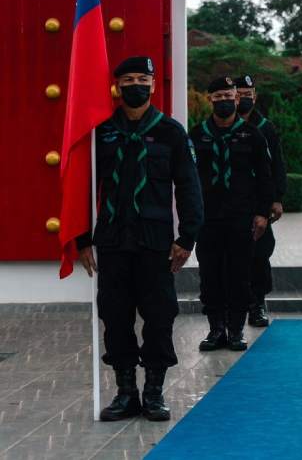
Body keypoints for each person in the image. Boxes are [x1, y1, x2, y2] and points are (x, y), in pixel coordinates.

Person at [76, 56, 203, 422]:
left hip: (155, 244)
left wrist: (187, 237)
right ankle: (125, 392)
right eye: (128, 79)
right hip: (113, 242)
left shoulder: (171, 132)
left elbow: (189, 187)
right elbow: (83, 188)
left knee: (159, 317)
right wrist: (83, 238)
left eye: (143, 79)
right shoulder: (101, 131)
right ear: (117, 87)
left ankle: (153, 393)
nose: (136, 85)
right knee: (115, 317)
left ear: (152, 84)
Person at [192, 76, 274, 353]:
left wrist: (263, 213)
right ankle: (216, 329)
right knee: (210, 274)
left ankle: (237, 329)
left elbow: (265, 176)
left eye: (229, 96)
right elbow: (187, 179)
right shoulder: (197, 134)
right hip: (208, 218)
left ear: (236, 99)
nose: (224, 101)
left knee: (240, 274)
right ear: (210, 100)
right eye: (218, 97)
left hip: (241, 217)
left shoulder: (252, 134)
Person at [234, 75, 287, 328]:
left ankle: (257, 305)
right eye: (239, 92)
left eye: (248, 93)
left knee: (259, 255)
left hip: (259, 202)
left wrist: (276, 199)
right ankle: (230, 312)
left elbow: (276, 163)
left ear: (255, 97)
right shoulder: (222, 126)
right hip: (230, 204)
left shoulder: (265, 127)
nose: (244, 98)